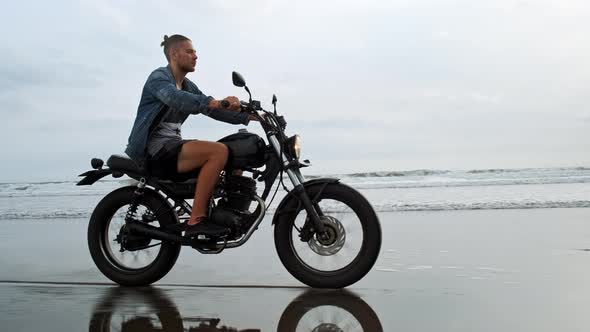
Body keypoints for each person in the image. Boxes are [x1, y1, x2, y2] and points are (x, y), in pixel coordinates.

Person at [125, 34, 254, 237]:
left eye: (195, 52)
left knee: (235, 153)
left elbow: (211, 109)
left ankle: (225, 212)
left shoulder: (187, 85)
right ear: (174, 54)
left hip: (171, 146)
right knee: (218, 152)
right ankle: (196, 221)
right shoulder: (158, 78)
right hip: (153, 150)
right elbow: (175, 98)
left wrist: (252, 117)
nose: (196, 56)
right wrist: (216, 101)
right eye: (190, 51)